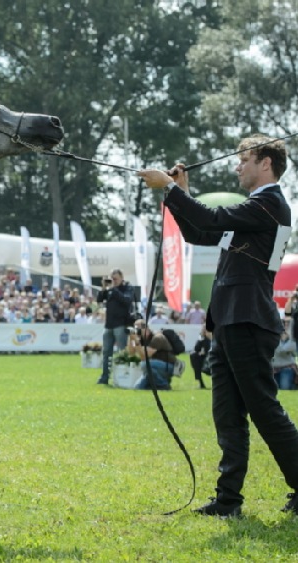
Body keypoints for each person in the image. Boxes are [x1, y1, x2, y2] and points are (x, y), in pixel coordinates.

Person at [138, 133, 298, 518]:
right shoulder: (254, 209)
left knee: (263, 410)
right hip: (230, 319)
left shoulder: (269, 204)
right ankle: (228, 501)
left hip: (247, 318)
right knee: (228, 415)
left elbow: (209, 217)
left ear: (266, 163)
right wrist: (179, 192)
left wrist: (171, 190)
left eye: (245, 159)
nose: (237, 165)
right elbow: (200, 232)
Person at [95, 268, 135, 385]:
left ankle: (123, 376)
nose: (113, 281)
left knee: (122, 351)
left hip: (121, 324)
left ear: (121, 278)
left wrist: (114, 289)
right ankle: (105, 377)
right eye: (111, 278)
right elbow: (99, 300)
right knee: (106, 352)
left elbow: (127, 300)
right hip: (109, 325)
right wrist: (103, 288)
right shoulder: (110, 290)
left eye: (115, 278)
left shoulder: (127, 287)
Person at [127, 322, 177, 390]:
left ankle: (164, 384)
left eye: (138, 330)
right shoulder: (141, 338)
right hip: (152, 368)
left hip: (169, 366)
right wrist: (131, 339)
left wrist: (136, 342)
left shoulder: (157, 337)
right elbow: (131, 352)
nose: (137, 332)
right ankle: (156, 384)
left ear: (146, 329)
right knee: (138, 387)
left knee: (144, 364)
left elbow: (144, 357)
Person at [272, 320, 297, 391]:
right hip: (274, 369)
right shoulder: (273, 337)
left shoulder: (292, 339)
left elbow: (282, 350)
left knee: (285, 388)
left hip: (287, 368)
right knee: (275, 391)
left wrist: (286, 338)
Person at [190, 325, 212, 389]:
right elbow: (197, 348)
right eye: (203, 329)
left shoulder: (210, 338)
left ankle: (201, 382)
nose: (203, 330)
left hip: (210, 357)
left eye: (205, 329)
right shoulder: (202, 338)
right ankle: (201, 383)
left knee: (195, 357)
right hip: (204, 357)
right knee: (194, 356)